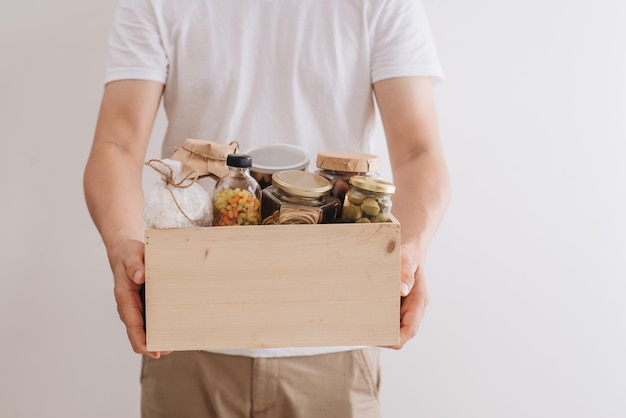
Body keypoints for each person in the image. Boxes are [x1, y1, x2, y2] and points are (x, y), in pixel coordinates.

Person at [84, 0, 450, 417]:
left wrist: (411, 251)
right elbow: (117, 145)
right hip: (189, 333)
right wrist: (122, 248)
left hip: (333, 341)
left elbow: (419, 152)